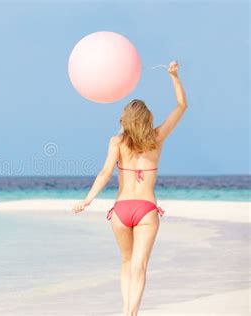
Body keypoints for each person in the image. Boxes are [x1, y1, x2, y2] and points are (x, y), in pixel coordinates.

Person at [71, 61, 187, 316]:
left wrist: (88, 200)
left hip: (121, 210)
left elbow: (104, 173)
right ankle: (131, 312)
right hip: (145, 210)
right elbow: (181, 106)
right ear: (148, 119)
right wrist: (174, 76)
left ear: (126, 118)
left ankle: (126, 310)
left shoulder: (117, 141)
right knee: (140, 265)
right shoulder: (157, 138)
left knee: (126, 262)